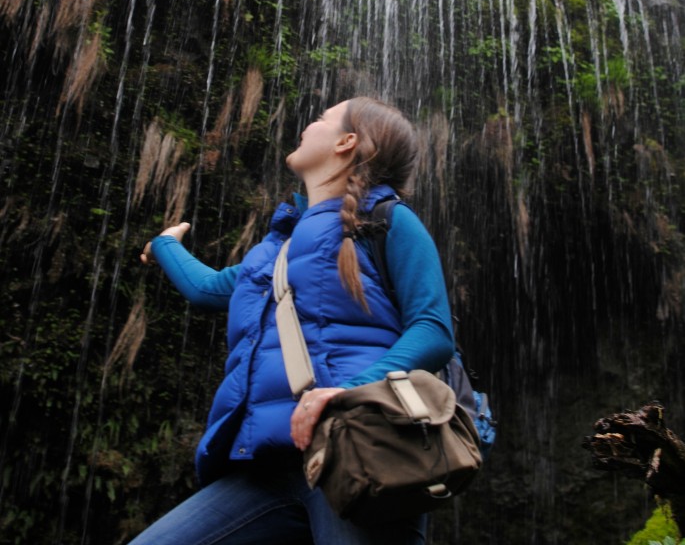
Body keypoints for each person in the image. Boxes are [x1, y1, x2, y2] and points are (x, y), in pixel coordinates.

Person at [130, 96, 455, 545]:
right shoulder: (275, 249)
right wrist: (166, 245)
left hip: (360, 450)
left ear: (347, 142)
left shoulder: (388, 221)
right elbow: (207, 290)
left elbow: (433, 329)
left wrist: (348, 393)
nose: (308, 123)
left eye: (322, 118)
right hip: (265, 465)